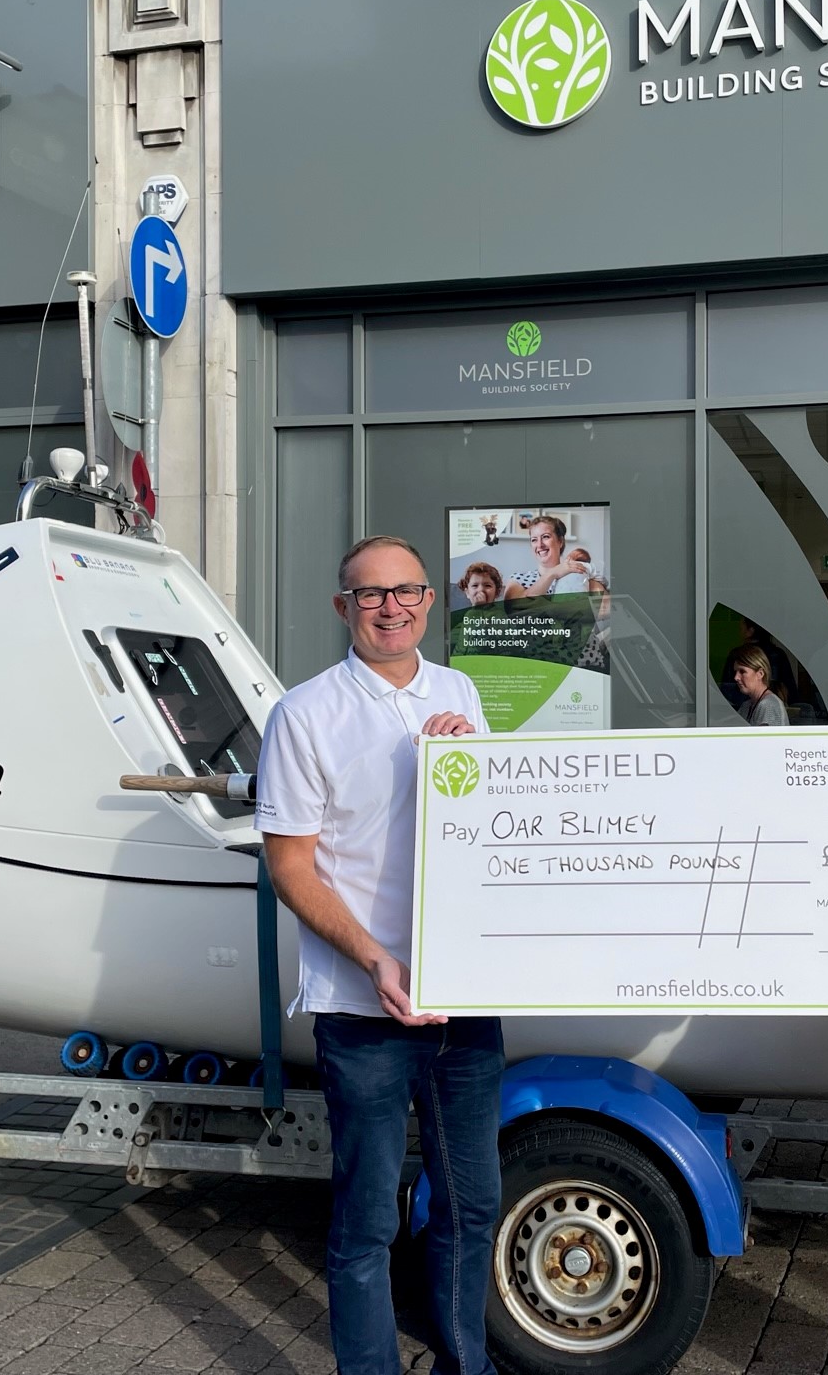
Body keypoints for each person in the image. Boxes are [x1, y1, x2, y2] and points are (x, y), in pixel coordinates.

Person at [256, 535, 501, 1375]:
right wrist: (373, 959)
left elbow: (490, 825)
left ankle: (464, 1366)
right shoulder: (305, 714)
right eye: (370, 595)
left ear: (430, 600)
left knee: (472, 1206)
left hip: (463, 1002)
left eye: (405, 591)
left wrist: (470, 755)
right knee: (367, 1220)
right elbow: (290, 864)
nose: (390, 607)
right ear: (342, 608)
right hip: (364, 1006)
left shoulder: (461, 690)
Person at [728, 643, 788, 726]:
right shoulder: (746, 706)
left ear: (760, 674)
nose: (736, 677)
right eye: (735, 672)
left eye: (742, 671)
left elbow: (766, 739)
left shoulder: (768, 706)